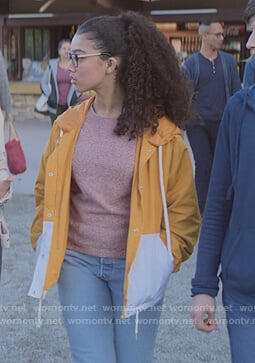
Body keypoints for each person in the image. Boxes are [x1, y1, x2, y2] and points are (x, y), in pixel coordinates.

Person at [28, 12, 201, 363]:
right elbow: (45, 188)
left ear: (111, 64)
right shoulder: (66, 125)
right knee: (93, 358)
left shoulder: (163, 135)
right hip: (77, 263)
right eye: (68, 56)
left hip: (137, 267)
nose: (68, 64)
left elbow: (184, 210)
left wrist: (165, 258)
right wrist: (43, 237)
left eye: (78, 57)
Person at [190, 1, 255, 362]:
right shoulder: (239, 110)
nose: (248, 43)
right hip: (245, 285)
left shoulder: (228, 65)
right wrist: (203, 287)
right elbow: (217, 204)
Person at [183, 19, 241, 214]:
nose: (222, 38)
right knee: (204, 166)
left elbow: (235, 92)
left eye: (222, 34)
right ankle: (203, 210)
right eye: (217, 34)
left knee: (223, 165)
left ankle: (222, 206)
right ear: (204, 36)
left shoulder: (228, 62)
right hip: (198, 123)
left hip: (223, 122)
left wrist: (236, 120)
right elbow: (185, 95)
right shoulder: (191, 64)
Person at [40, 39, 79, 125]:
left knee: (69, 133)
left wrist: (78, 94)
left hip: (71, 104)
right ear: (59, 51)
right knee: (56, 132)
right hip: (55, 105)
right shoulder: (52, 64)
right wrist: (49, 94)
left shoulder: (76, 65)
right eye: (64, 48)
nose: (67, 51)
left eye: (69, 49)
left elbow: (81, 81)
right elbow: (44, 82)